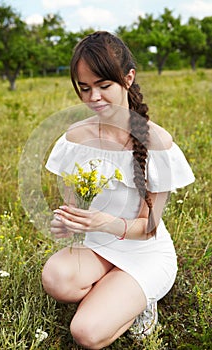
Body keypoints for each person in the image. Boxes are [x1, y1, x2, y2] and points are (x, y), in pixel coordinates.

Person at [42, 31, 195, 349]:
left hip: (145, 253)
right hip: (100, 249)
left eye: (103, 85)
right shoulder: (76, 138)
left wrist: (104, 223)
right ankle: (114, 290)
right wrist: (67, 221)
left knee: (85, 332)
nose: (93, 98)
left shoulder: (157, 143)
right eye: (84, 88)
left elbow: (148, 228)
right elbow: (75, 207)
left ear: (128, 78)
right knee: (55, 277)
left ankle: (142, 302)